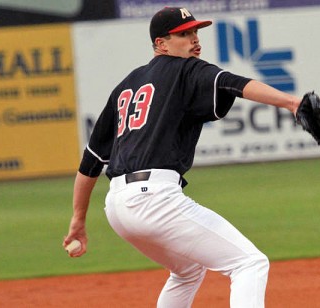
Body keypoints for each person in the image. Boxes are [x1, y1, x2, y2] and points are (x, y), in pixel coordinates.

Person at [64, 7, 301, 308]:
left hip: (118, 207)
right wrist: (293, 103)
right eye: (184, 34)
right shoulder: (187, 69)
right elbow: (235, 84)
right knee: (249, 263)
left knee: (187, 271)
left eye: (195, 32)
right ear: (161, 44)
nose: (194, 40)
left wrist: (78, 220)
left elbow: (92, 161)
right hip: (155, 198)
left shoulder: (127, 84)